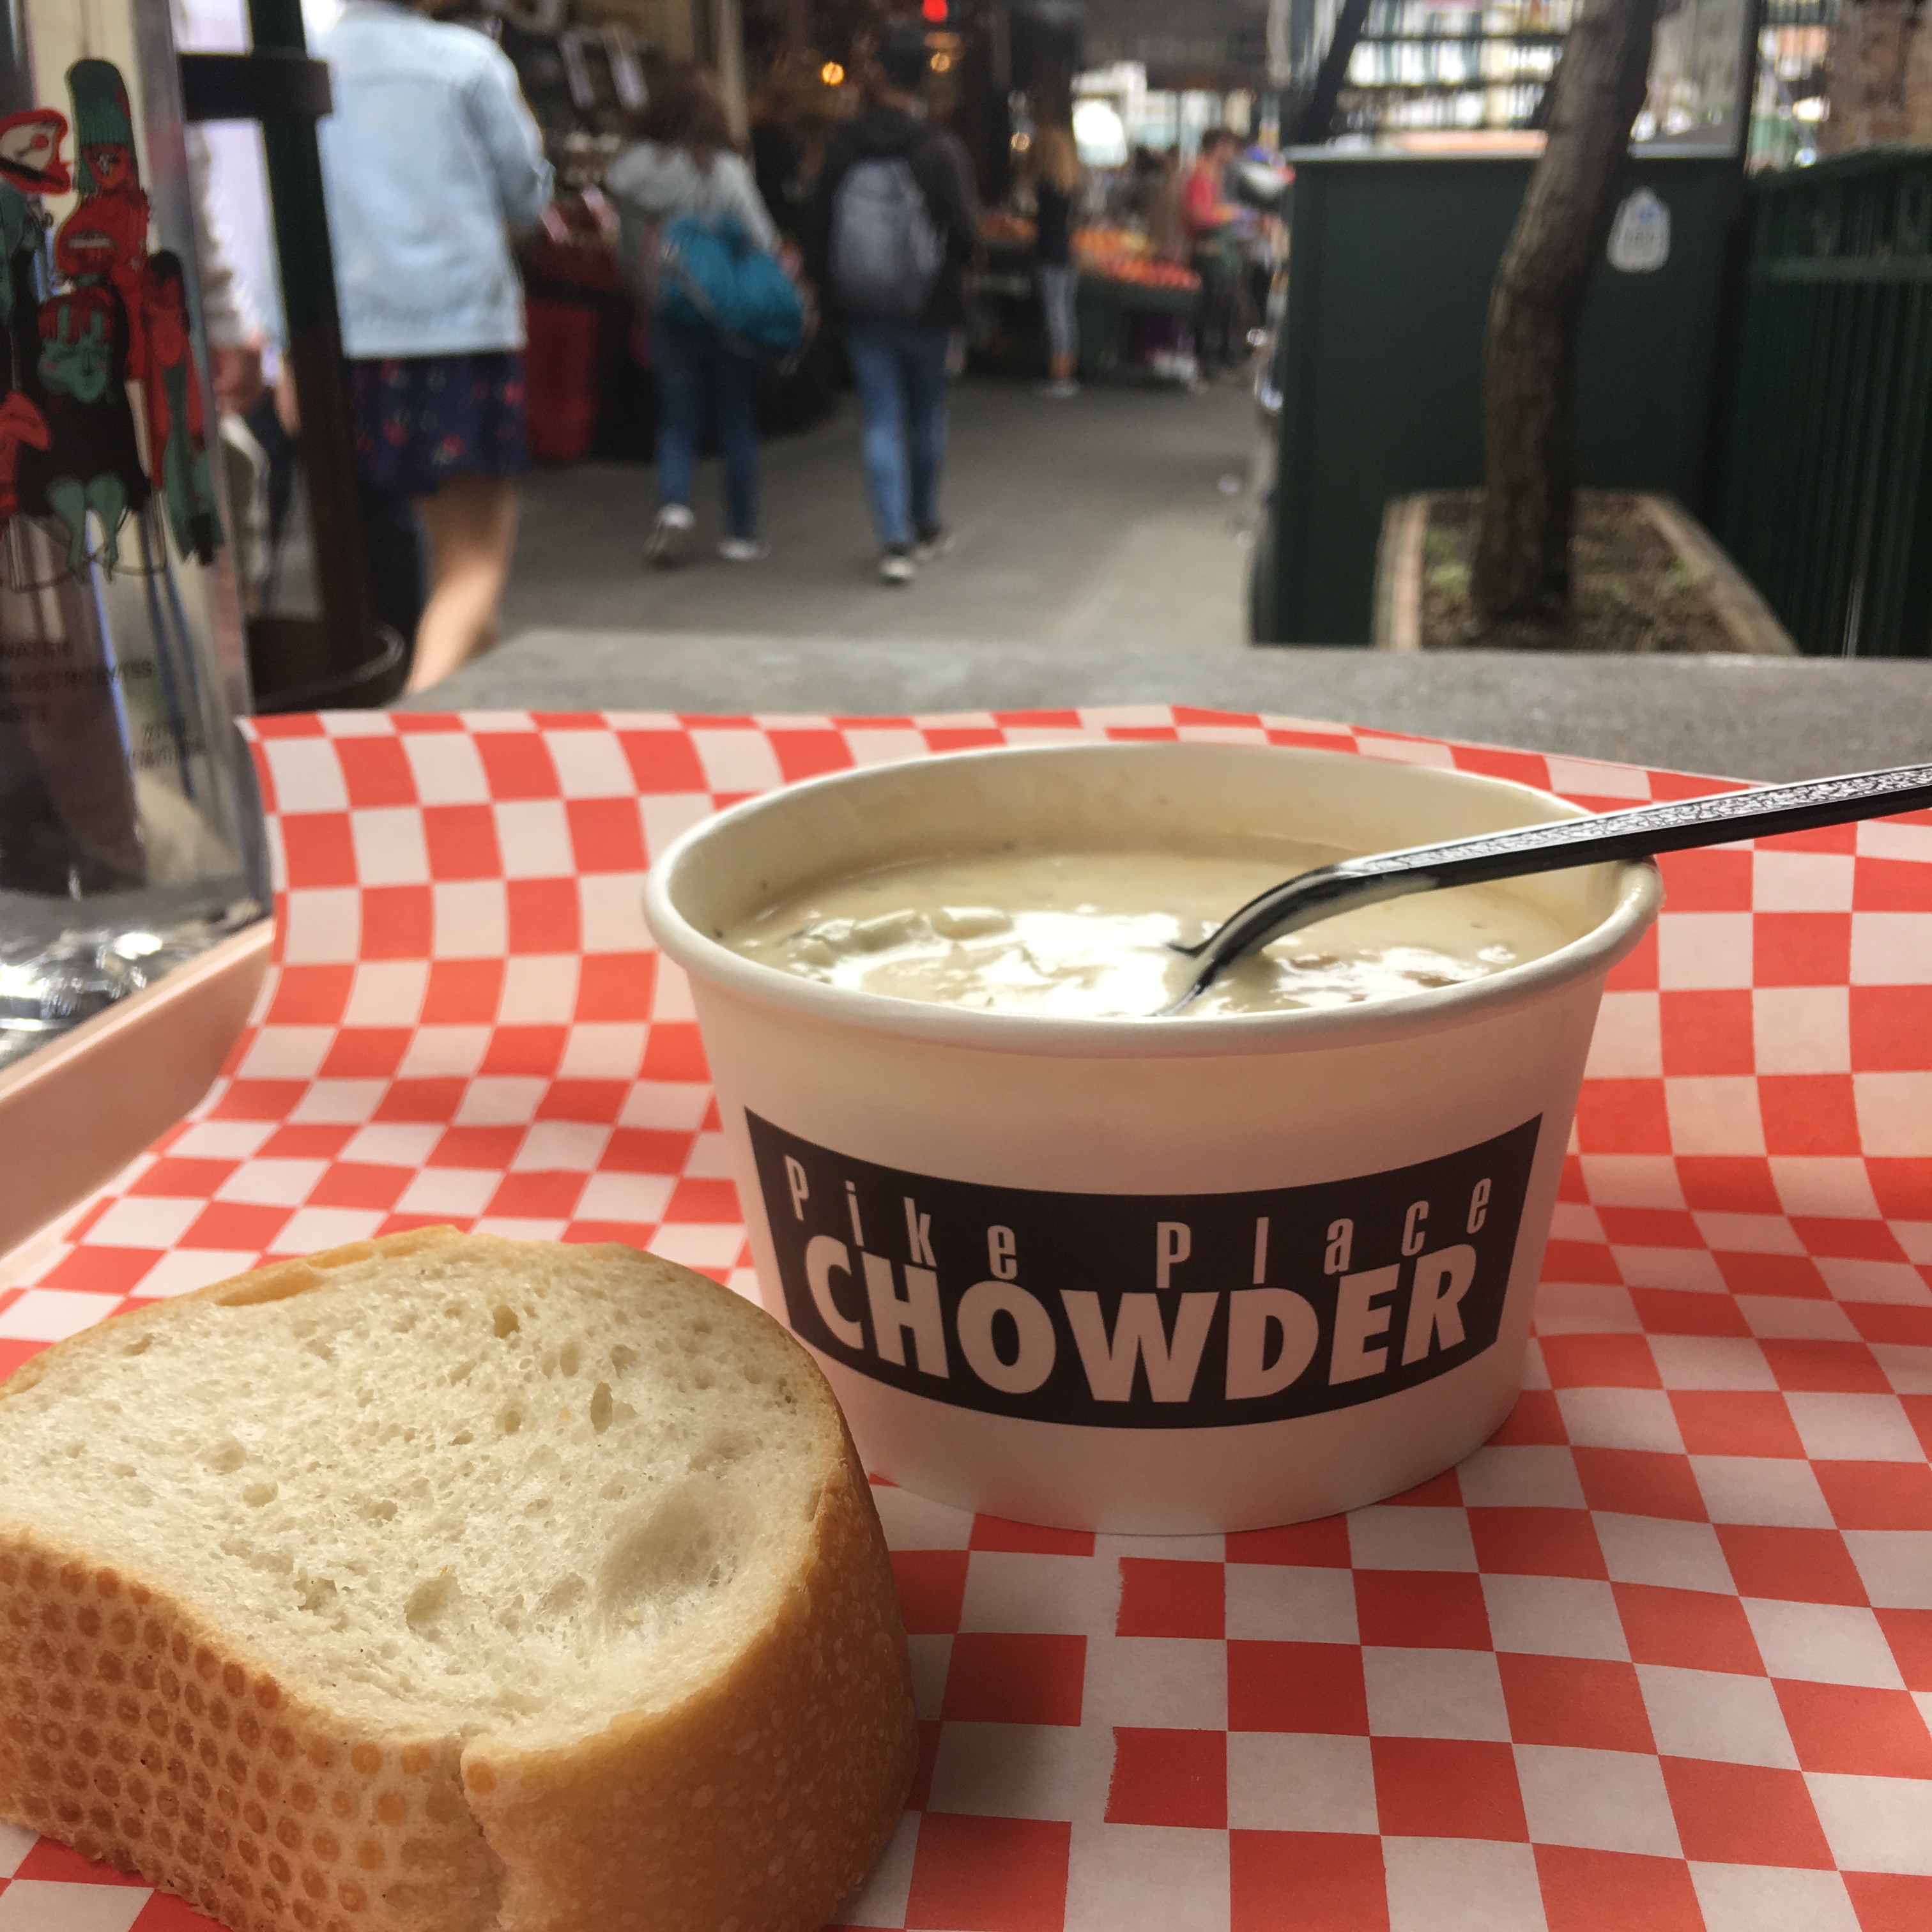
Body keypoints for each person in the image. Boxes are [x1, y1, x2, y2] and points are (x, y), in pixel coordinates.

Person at [316, 0, 552, 695]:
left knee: (389, 554)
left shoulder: (307, 63)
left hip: (350, 336)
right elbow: (526, 198)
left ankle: (459, 717)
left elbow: (281, 210)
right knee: (473, 563)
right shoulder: (466, 62)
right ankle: (412, 726)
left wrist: (284, 348)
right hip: (460, 328)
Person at [806, 18, 975, 586]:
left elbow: (817, 223)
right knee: (926, 415)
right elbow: (964, 234)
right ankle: (925, 522)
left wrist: (822, 284)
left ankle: (893, 539)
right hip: (930, 306)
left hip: (862, 306)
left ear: (876, 75)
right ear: (923, 77)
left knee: (879, 419)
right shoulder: (939, 149)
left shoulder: (843, 146)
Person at [606, 65, 781, 567]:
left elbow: (628, 248)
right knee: (736, 420)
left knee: (677, 419)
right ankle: (740, 534)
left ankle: (675, 505)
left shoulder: (633, 173)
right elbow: (762, 240)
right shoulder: (726, 171)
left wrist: (646, 287)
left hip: (668, 305)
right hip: (726, 312)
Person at [1028, 121, 1081, 398]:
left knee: (1055, 314)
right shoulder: (1069, 187)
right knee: (1065, 313)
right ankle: (1067, 369)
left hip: (1050, 255)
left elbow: (1042, 227)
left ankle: (1058, 374)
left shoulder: (1046, 188)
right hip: (1066, 254)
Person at [1183, 128, 1240, 381]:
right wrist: (1225, 214)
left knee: (1226, 309)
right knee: (1211, 312)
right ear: (1218, 148)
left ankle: (1220, 362)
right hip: (1210, 254)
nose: (1233, 154)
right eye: (1229, 147)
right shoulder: (1201, 176)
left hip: (1221, 254)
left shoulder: (1215, 176)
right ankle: (1208, 364)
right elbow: (1197, 215)